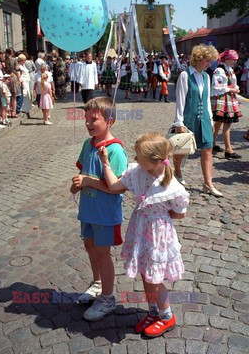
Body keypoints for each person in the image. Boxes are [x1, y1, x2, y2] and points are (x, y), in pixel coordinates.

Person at [96, 131, 189, 337]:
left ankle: (167, 316)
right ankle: (153, 311)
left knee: (155, 279)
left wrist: (158, 216)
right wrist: (106, 163)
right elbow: (114, 185)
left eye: (140, 156)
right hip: (140, 228)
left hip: (158, 235)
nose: (136, 158)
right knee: (146, 275)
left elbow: (179, 213)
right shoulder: (136, 172)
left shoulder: (172, 187)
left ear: (155, 161)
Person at [70, 97, 127, 321]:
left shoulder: (115, 151)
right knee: (90, 247)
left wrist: (88, 182)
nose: (88, 123)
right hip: (88, 210)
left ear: (109, 121)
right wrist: (76, 185)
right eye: (86, 119)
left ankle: (108, 298)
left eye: (94, 119)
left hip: (105, 214)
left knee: (103, 254)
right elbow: (81, 172)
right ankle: (97, 283)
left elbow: (117, 188)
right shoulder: (88, 144)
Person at [173, 44, 223, 197]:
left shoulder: (207, 76)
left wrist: (211, 119)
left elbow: (206, 100)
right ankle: (177, 170)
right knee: (183, 149)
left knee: (208, 148)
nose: (209, 64)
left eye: (211, 61)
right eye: (207, 60)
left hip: (205, 118)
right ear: (198, 59)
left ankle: (208, 183)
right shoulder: (185, 75)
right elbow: (180, 100)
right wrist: (179, 122)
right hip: (189, 118)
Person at [211, 50, 242, 159]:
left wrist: (236, 88)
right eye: (232, 59)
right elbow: (217, 86)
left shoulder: (230, 70)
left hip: (229, 97)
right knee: (226, 122)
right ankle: (228, 149)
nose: (234, 61)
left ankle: (212, 143)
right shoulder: (219, 69)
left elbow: (233, 83)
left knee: (220, 122)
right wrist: (232, 89)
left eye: (235, 60)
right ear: (226, 59)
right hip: (223, 98)